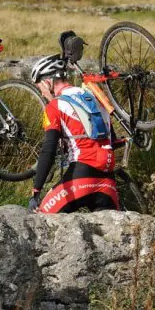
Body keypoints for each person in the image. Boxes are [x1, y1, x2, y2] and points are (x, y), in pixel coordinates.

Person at [28, 54, 120, 214]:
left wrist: (36, 190)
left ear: (47, 82)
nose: (42, 94)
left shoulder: (55, 106)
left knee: (41, 219)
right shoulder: (94, 96)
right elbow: (112, 137)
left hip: (81, 176)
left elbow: (48, 150)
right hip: (108, 182)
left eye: (39, 88)